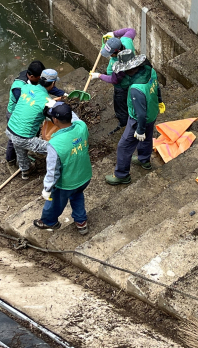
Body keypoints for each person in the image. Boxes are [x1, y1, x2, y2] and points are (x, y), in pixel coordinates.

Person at [105, 50, 164, 185]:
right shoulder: (150, 71)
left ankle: (122, 175)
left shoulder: (136, 89)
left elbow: (140, 113)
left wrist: (140, 129)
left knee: (124, 146)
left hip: (139, 120)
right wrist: (160, 100)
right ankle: (144, 160)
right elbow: (157, 87)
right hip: (153, 111)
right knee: (147, 138)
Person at [33, 103, 92, 234]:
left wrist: (47, 188)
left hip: (67, 183)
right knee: (77, 195)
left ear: (55, 120)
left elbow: (53, 170)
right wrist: (58, 104)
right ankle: (81, 222)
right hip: (84, 176)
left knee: (54, 202)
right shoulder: (81, 127)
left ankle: (49, 221)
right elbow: (75, 118)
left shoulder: (55, 144)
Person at [5, 61, 66, 171]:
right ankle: (60, 169)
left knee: (21, 152)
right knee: (55, 150)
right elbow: (53, 115)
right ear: (52, 84)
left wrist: (62, 95)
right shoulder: (46, 101)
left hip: (10, 129)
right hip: (22, 134)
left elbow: (31, 102)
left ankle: (25, 172)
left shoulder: (27, 88)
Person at [90, 28, 136, 131]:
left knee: (120, 104)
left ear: (118, 51)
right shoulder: (125, 41)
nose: (110, 56)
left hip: (122, 85)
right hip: (130, 78)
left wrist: (98, 76)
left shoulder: (121, 63)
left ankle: (123, 122)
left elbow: (114, 80)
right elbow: (131, 30)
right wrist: (114, 33)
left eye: (111, 54)